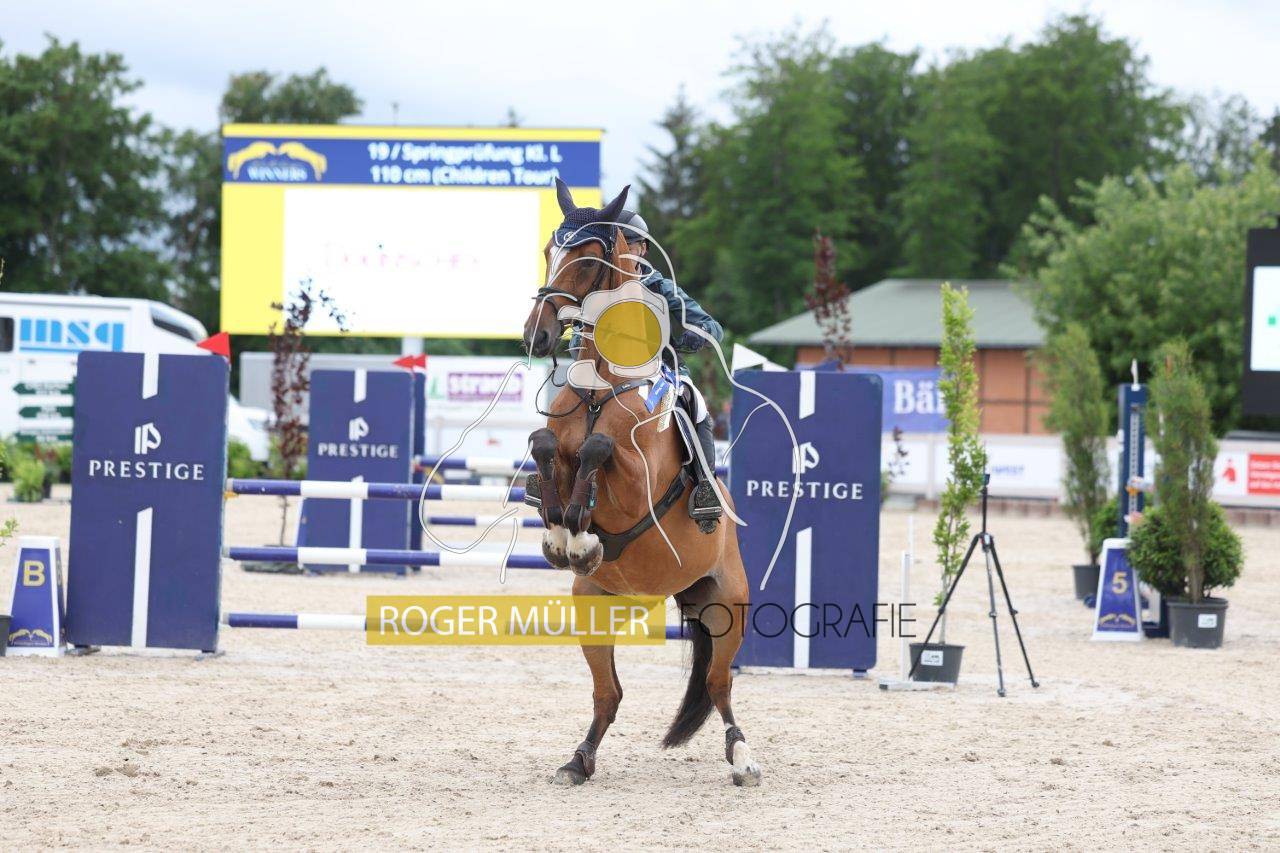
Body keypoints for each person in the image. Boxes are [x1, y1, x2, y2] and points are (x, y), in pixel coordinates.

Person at [615, 209, 725, 531]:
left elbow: (712, 326)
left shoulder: (660, 287)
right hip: (610, 371)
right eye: (616, 244)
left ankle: (705, 486)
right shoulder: (600, 289)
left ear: (643, 249)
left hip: (658, 369)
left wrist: (696, 335)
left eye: (628, 244)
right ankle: (550, 474)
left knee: (696, 403)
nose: (621, 251)